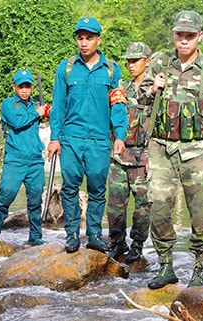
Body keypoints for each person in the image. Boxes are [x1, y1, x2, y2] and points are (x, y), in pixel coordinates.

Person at [145, 11, 203, 289]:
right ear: (173, 34)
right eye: (179, 34)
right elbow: (137, 97)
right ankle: (166, 266)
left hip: (196, 150)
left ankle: (200, 269)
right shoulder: (158, 61)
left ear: (200, 37)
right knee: (157, 206)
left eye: (190, 35)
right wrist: (152, 87)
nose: (184, 40)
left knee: (200, 211)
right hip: (160, 147)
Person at [48, 17, 128, 253]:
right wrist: (54, 138)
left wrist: (120, 135)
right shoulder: (66, 68)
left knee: (97, 189)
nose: (84, 43)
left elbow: (118, 104)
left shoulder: (112, 69)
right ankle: (72, 234)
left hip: (100, 140)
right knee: (70, 187)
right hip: (71, 138)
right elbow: (58, 105)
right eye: (80, 38)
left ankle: (94, 234)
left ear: (98, 40)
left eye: (89, 38)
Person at [0, 69, 46, 246]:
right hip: (15, 159)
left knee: (35, 199)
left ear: (32, 88)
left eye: (27, 86)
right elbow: (17, 123)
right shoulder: (8, 104)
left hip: (35, 160)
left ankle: (35, 236)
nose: (24, 90)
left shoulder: (36, 106)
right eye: (21, 86)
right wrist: (37, 113)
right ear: (14, 87)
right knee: (7, 194)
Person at [107, 42, 154, 263]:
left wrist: (153, 157)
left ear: (148, 62)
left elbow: (161, 124)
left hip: (142, 157)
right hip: (118, 156)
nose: (131, 64)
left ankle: (137, 246)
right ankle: (117, 243)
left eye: (136, 60)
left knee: (143, 206)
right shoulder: (121, 87)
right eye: (129, 60)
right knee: (115, 204)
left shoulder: (155, 89)